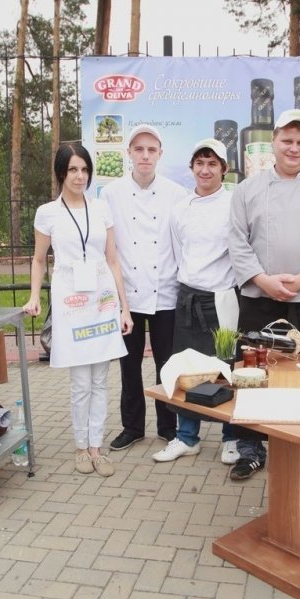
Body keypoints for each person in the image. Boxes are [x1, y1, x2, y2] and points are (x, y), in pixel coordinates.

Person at [228, 108, 300, 481]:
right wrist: (262, 280)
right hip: (258, 297)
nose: (293, 148)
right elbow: (237, 240)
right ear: (274, 142)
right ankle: (250, 448)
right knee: (254, 372)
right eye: (287, 140)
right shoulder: (247, 189)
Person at [23, 143, 133, 477]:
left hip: (101, 301)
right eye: (72, 169)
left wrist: (124, 309)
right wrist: (33, 297)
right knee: (81, 383)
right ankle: (81, 447)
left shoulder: (101, 209)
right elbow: (40, 259)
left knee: (100, 380)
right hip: (71, 303)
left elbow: (113, 260)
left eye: (84, 169)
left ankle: (97, 448)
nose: (79, 176)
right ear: (61, 173)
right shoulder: (48, 213)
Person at [153, 139, 240, 465]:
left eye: (212, 163)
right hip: (188, 298)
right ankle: (187, 436)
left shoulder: (234, 204)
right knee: (186, 370)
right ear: (192, 168)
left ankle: (231, 438)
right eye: (200, 163)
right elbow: (178, 254)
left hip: (223, 299)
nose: (205, 169)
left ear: (223, 170)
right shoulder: (180, 210)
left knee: (225, 369)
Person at [101, 125, 188, 451]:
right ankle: (132, 427)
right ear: (129, 154)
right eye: (139, 149)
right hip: (128, 295)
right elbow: (110, 248)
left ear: (160, 154)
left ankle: (168, 425)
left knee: (166, 364)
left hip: (166, 292)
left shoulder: (176, 194)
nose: (145, 155)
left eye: (152, 150)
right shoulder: (111, 194)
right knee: (129, 365)